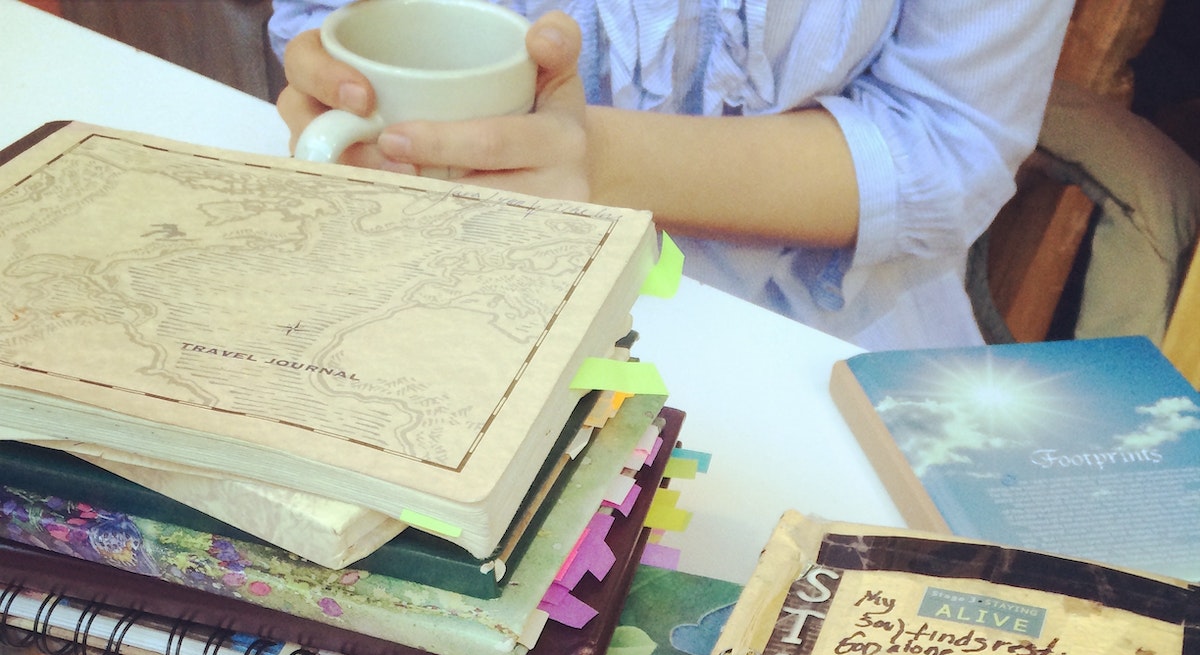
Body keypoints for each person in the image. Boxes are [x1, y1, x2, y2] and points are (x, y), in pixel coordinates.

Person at [269, 1, 1073, 351]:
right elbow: (324, 28)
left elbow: (948, 143)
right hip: (450, 301)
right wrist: (343, 88)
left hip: (817, 342)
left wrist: (596, 160)